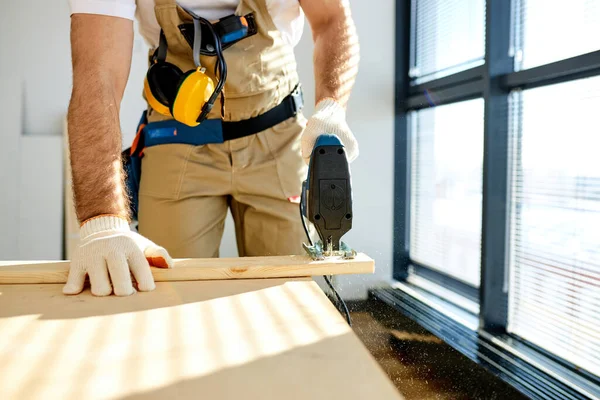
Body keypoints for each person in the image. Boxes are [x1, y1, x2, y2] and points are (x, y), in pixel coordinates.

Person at [64, 0, 360, 297]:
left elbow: (331, 18)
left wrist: (331, 107)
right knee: (168, 296)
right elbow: (97, 76)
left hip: (278, 138)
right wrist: (103, 221)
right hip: (176, 137)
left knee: (290, 296)